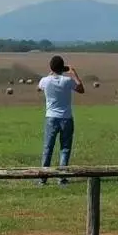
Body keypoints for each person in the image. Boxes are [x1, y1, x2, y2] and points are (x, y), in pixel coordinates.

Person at [37, 54, 84, 186]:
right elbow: (81, 89)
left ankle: (43, 178)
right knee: (65, 148)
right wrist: (74, 74)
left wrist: (50, 74)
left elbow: (38, 88)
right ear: (63, 68)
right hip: (66, 117)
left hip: (51, 117)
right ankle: (62, 177)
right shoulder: (67, 81)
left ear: (51, 67)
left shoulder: (45, 81)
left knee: (48, 147)